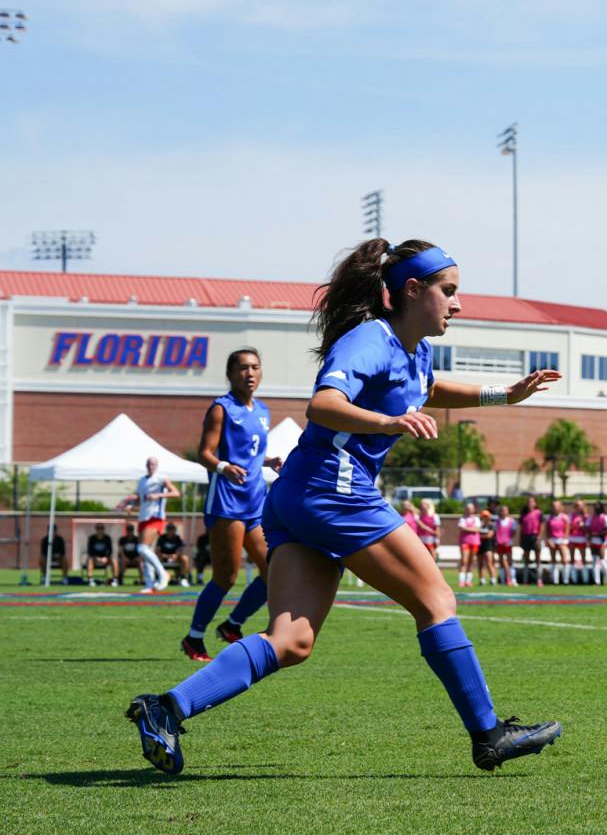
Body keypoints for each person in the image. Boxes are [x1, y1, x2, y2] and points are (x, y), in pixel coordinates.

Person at [125, 238, 561, 776]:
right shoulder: (369, 340)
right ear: (412, 290)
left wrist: (503, 395)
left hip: (299, 497)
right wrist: (389, 423)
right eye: (449, 292)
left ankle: (166, 707)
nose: (458, 303)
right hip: (335, 490)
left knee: (292, 640)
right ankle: (488, 734)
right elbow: (323, 405)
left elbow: (427, 388)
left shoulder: (412, 350)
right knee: (436, 600)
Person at [188, 347, 285, 661]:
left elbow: (252, 453)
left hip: (256, 500)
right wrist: (222, 467)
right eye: (243, 368)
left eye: (255, 367)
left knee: (274, 570)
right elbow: (205, 453)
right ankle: (194, 638)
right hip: (227, 501)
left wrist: (268, 461)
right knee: (226, 576)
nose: (250, 373)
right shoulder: (221, 408)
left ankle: (233, 625)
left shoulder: (262, 410)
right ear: (230, 374)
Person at [120, 456, 180, 596]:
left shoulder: (161, 478)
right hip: (143, 518)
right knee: (144, 552)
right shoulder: (142, 481)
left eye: (153, 464)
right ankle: (149, 584)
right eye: (149, 464)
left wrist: (158, 495)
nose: (151, 466)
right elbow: (140, 500)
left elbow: (176, 493)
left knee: (141, 548)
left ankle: (163, 574)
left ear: (157, 466)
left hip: (156, 517)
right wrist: (131, 506)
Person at [519, 495, 544, 587]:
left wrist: (539, 537)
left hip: (535, 536)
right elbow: (521, 528)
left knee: (538, 559)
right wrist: (520, 540)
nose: (530, 504)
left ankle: (539, 580)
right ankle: (526, 580)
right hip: (526, 537)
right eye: (528, 502)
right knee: (526, 559)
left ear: (535, 503)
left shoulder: (538, 513)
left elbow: (542, 525)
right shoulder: (524, 514)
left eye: (532, 502)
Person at [455, 502, 482, 586]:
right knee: (464, 561)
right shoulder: (462, 518)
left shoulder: (476, 519)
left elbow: (477, 529)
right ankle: (461, 581)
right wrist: (472, 529)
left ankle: (468, 580)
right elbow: (461, 528)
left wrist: (467, 529)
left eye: (471, 508)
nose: (469, 510)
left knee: (471, 561)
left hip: (474, 542)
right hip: (464, 542)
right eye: (468, 508)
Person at [493, 504, 518, 586]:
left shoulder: (511, 521)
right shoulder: (497, 522)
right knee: (501, 562)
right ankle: (503, 580)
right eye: (502, 510)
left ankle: (512, 579)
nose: (503, 512)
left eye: (505, 510)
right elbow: (495, 532)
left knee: (509, 561)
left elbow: (514, 532)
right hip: (499, 544)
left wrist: (509, 540)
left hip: (508, 544)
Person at [413, 497, 440, 567]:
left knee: (432, 553)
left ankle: (433, 567)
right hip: (420, 537)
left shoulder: (434, 516)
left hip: (430, 538)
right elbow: (421, 526)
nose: (422, 506)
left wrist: (437, 539)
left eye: (424, 504)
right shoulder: (418, 516)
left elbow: (437, 529)